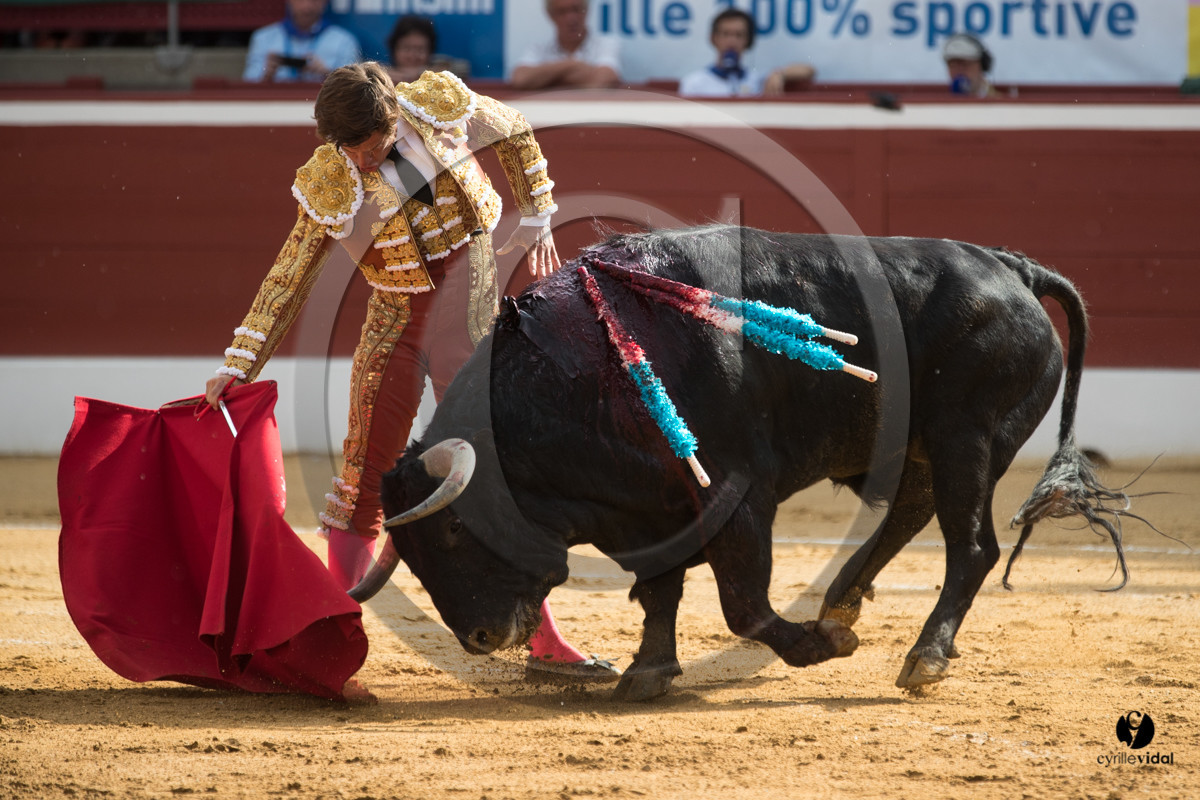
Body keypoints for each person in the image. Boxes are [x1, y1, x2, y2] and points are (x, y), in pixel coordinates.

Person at [204, 63, 617, 679]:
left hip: (470, 306)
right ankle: (326, 647)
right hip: (394, 314)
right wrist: (239, 362)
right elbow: (290, 274)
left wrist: (537, 212)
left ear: (391, 118)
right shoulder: (330, 177)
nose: (357, 161)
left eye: (364, 147)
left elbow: (515, 128)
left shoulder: (439, 104)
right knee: (361, 475)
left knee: (495, 472)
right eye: (343, 148)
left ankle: (546, 645)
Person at [678, 8, 815, 98]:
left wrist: (779, 74)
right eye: (726, 34)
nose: (731, 41)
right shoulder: (694, 83)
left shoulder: (757, 81)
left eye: (739, 35)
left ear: (748, 41)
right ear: (713, 38)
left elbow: (809, 70)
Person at [510, 0, 622, 90]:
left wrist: (547, 79)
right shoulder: (538, 49)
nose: (571, 18)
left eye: (576, 9)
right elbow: (520, 79)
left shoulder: (606, 44)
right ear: (550, 15)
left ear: (587, 10)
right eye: (562, 12)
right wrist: (572, 65)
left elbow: (604, 79)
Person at [243, 0, 360, 83]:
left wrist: (327, 75)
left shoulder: (344, 41)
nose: (306, 7)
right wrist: (267, 74)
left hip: (325, 106)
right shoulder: (263, 37)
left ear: (325, 2)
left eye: (314, 1)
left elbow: (352, 89)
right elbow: (248, 85)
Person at [385, 15, 471, 83]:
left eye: (420, 49)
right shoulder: (381, 73)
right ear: (394, 49)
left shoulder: (442, 66)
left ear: (430, 51)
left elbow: (463, 68)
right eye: (407, 48)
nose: (412, 55)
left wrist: (420, 73)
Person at [942, 33, 998, 98]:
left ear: (982, 66)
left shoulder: (1001, 104)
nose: (959, 70)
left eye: (965, 64)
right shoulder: (938, 105)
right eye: (953, 65)